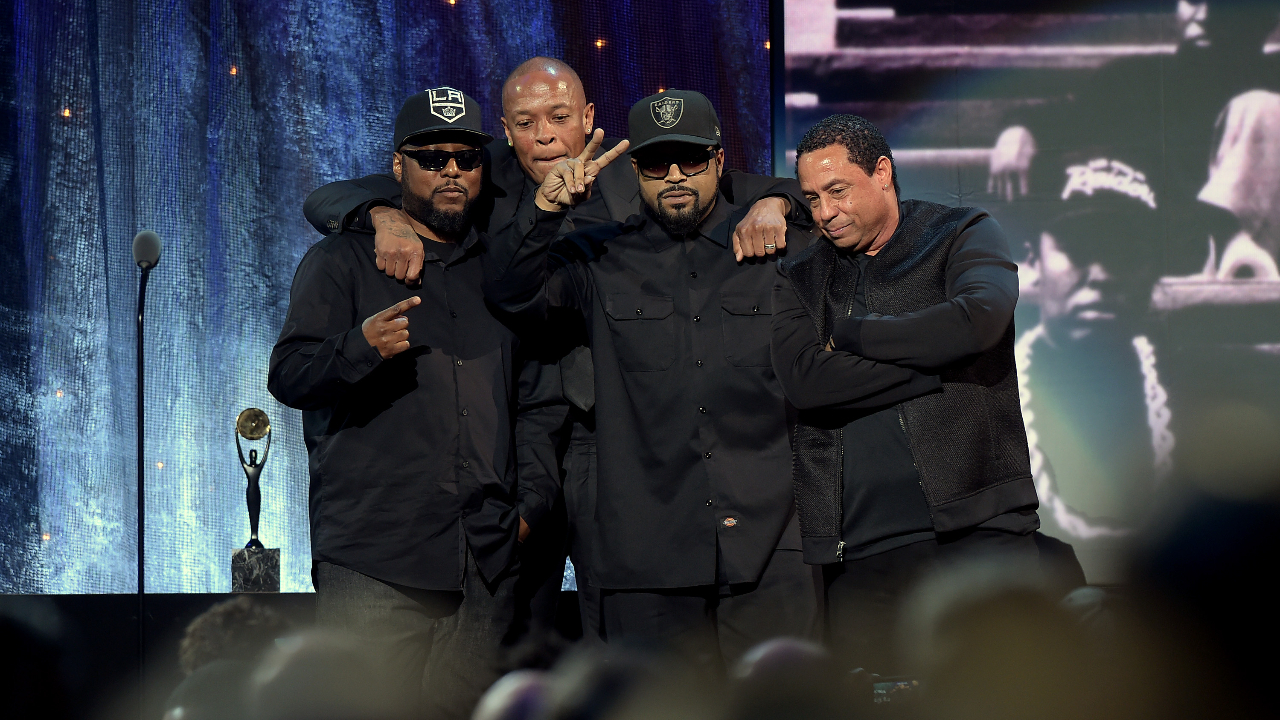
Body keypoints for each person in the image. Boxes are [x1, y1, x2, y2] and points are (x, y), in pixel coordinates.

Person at [301, 57, 807, 641]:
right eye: (526, 122)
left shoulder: (638, 170)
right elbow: (331, 197)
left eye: (559, 117)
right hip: (516, 436)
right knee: (516, 623)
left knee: (615, 612)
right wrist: (382, 215)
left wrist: (778, 204)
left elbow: (754, 187)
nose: (544, 135)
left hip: (615, 435)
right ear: (505, 130)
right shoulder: (478, 174)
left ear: (588, 117)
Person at [482, 89, 858, 667]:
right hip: (649, 550)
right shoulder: (595, 257)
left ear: (719, 160)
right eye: (657, 163)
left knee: (785, 706)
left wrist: (781, 201)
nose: (675, 176)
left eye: (691, 159)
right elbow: (509, 292)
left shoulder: (779, 247)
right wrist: (544, 211)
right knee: (658, 707)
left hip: (773, 542)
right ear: (636, 171)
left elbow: (853, 223)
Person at [268, 87, 566, 719]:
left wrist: (530, 507)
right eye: (432, 159)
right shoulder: (343, 260)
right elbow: (289, 376)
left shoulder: (502, 270)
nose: (451, 171)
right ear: (398, 166)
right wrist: (360, 347)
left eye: (466, 158)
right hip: (376, 556)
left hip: (485, 555)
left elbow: (537, 398)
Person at [772, 114, 1041, 674]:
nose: (824, 213)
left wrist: (852, 336)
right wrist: (933, 362)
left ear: (882, 172)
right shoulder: (801, 276)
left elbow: (978, 321)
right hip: (860, 552)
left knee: (1003, 695)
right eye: (812, 198)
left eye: (838, 191)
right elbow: (806, 381)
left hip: (979, 530)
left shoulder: (960, 232)